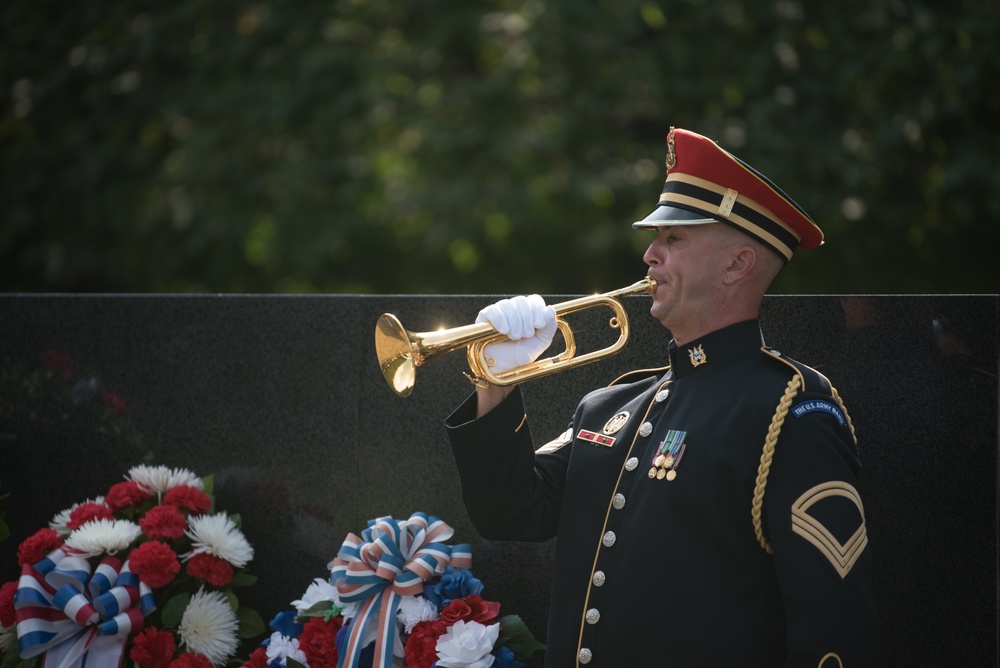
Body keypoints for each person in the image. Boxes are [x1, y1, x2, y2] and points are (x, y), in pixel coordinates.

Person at [444, 127, 877, 666]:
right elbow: (510, 513)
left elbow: (833, 630)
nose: (650, 254)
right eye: (655, 239)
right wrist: (497, 381)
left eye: (674, 239)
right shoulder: (613, 405)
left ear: (737, 265)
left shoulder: (788, 409)